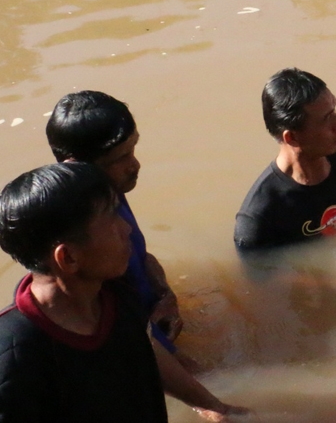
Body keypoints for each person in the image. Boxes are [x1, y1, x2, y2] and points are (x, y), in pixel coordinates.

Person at [0, 163, 246, 421]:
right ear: (69, 257)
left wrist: (213, 407)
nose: (126, 229)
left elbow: (143, 347)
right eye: (110, 221)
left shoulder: (115, 290)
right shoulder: (16, 360)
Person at [45, 92, 181, 351]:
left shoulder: (111, 193)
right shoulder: (81, 238)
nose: (135, 165)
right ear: (76, 167)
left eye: (133, 150)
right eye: (120, 159)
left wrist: (165, 295)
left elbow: (140, 255)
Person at [235, 68, 336, 251]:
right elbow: (263, 275)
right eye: (327, 119)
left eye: (335, 110)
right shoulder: (259, 219)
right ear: (291, 137)